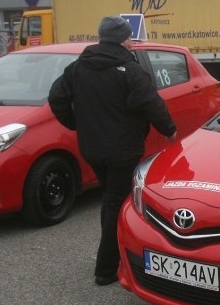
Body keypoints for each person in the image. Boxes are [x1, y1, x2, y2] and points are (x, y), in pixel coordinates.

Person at [48, 16, 176, 286]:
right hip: (122, 150)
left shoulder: (78, 68)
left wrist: (76, 123)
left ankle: (115, 252)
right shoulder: (130, 71)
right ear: (123, 39)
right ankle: (106, 268)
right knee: (116, 202)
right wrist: (170, 130)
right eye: (129, 37)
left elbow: (56, 98)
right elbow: (153, 104)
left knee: (109, 198)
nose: (131, 41)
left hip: (92, 148)